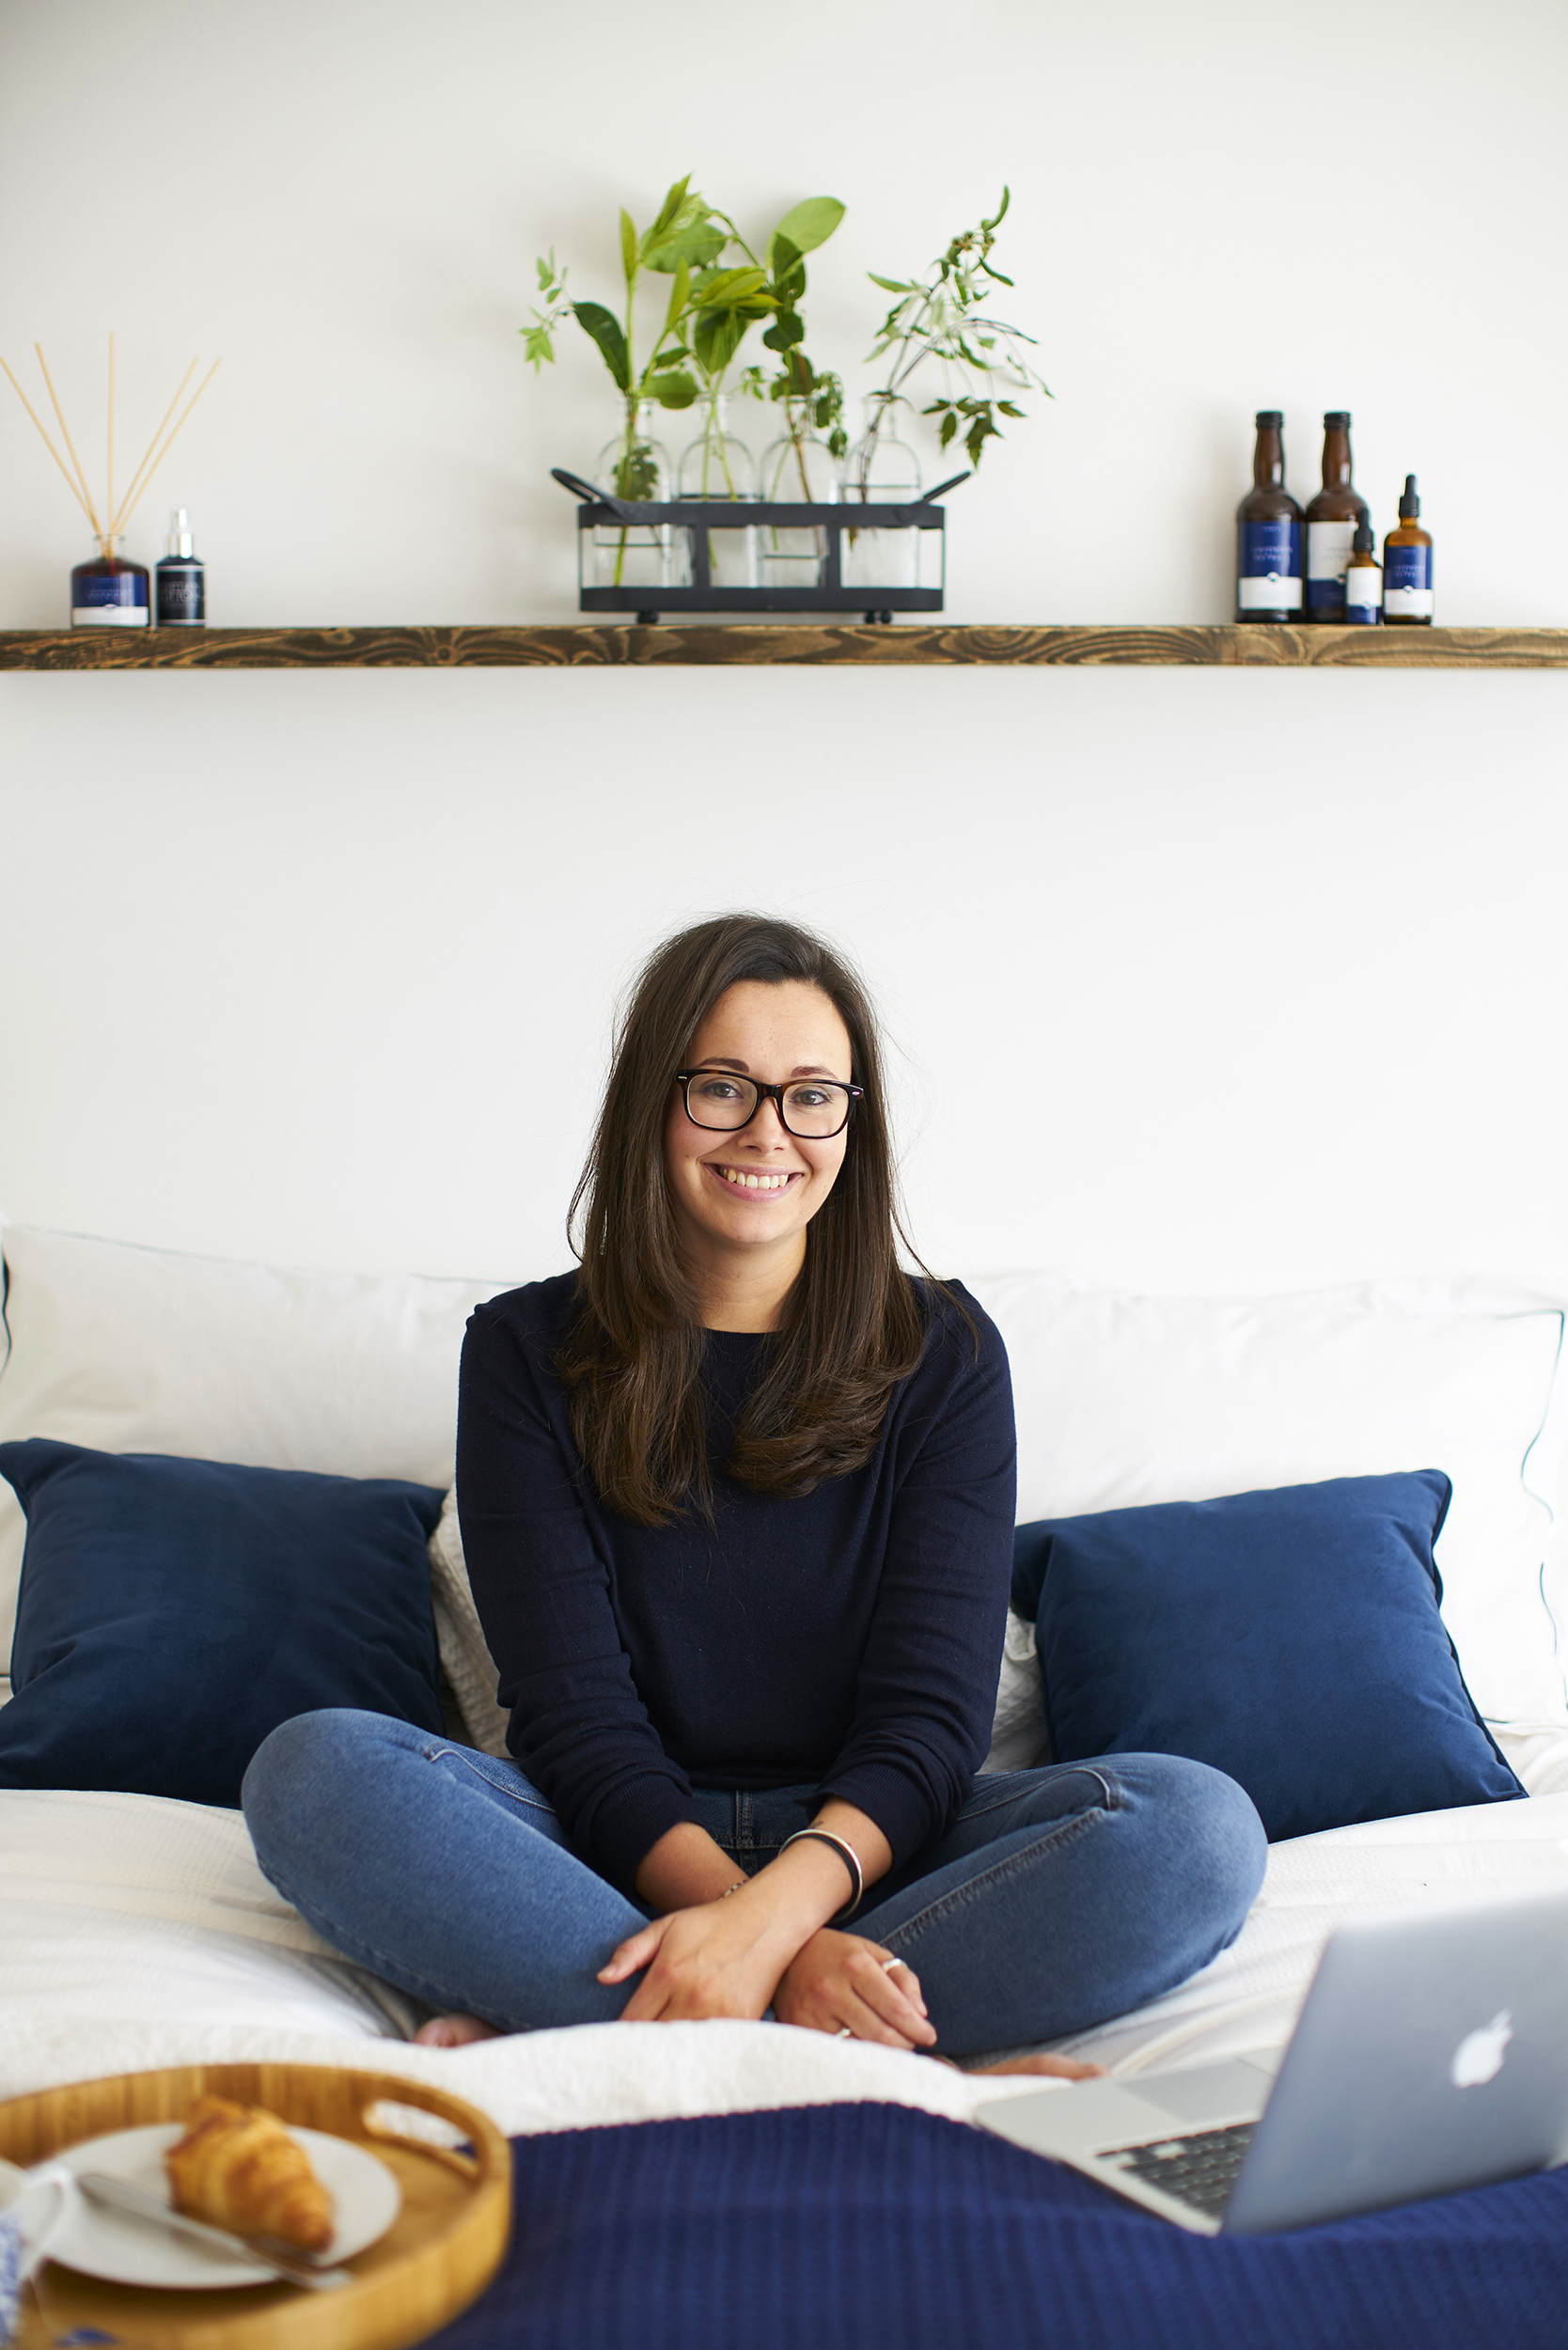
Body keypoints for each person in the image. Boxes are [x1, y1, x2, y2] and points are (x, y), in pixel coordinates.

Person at [243, 914, 1265, 2064]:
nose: (770, 1131)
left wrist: (774, 1919)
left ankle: (616, 2018)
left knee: (1195, 1832)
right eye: (723, 1087)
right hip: (605, 1843)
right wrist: (747, 1920)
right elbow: (577, 1723)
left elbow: (930, 1722)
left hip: (880, 1850)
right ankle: (843, 2038)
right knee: (317, 1773)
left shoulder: (948, 1353)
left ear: (853, 1120)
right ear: (652, 1103)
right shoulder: (525, 1349)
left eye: (813, 1094)